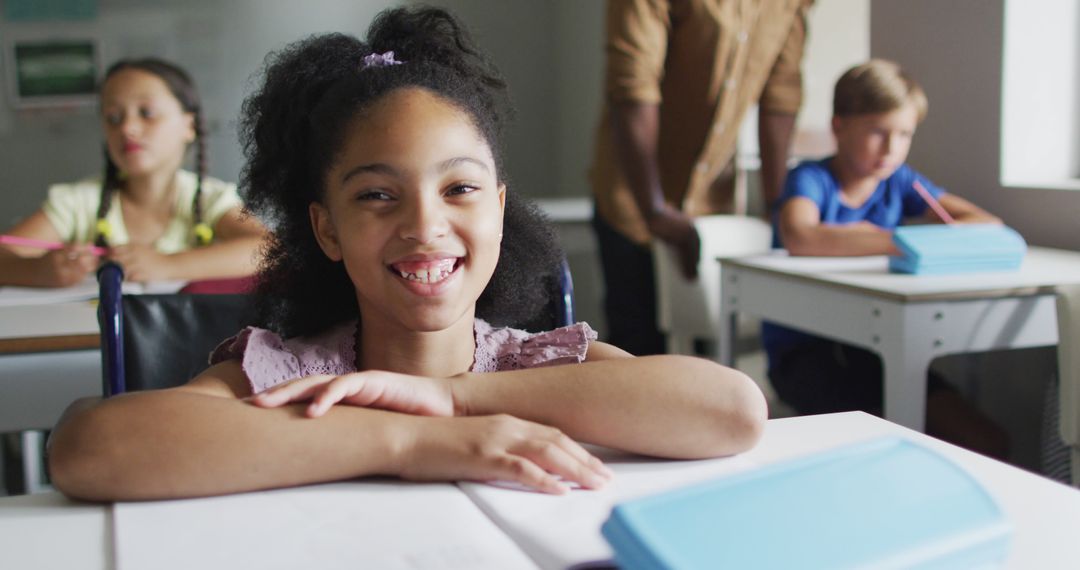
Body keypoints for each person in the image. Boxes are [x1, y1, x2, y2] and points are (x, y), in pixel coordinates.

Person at [47, 7, 767, 501]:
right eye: (376, 196)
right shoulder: (294, 376)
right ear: (325, 229)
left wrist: (452, 398)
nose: (426, 225)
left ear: (498, 206)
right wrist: (412, 443)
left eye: (459, 187)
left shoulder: (536, 363)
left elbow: (732, 411)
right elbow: (90, 448)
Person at [765, 59, 1008, 458]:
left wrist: (903, 238)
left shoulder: (900, 181)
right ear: (839, 126)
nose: (892, 148)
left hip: (880, 353)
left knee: (988, 442)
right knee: (892, 448)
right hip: (808, 357)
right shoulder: (811, 178)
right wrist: (899, 239)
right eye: (878, 132)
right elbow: (801, 235)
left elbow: (985, 223)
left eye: (904, 134)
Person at [589, 0, 813, 355]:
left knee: (709, 354)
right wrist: (654, 209)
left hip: (712, 203)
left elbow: (781, 95)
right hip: (635, 199)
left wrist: (777, 208)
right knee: (639, 349)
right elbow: (633, 85)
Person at [0, 58, 266, 288]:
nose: (127, 128)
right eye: (113, 118)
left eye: (146, 113)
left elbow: (266, 249)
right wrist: (38, 272)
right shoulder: (79, 202)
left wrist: (167, 265)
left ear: (189, 125)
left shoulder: (209, 198)